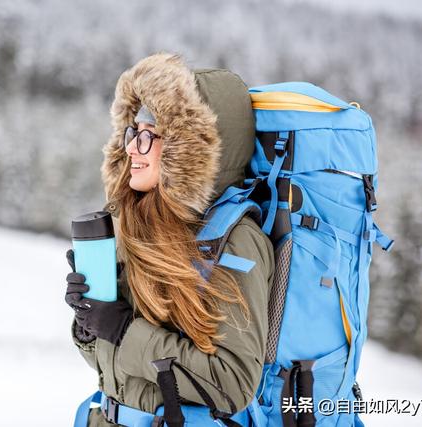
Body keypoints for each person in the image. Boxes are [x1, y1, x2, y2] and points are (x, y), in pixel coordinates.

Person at [65, 53, 275, 426]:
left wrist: (123, 329)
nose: (132, 147)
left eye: (149, 135)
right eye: (132, 131)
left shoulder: (236, 241)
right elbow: (123, 371)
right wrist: (91, 324)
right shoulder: (140, 227)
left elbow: (233, 382)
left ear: (190, 148)